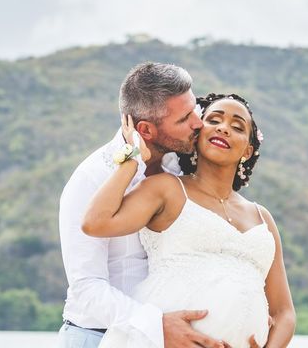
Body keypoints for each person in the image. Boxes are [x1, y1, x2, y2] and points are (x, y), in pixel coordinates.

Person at [82, 93, 296, 348]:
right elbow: (95, 222)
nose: (224, 128)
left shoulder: (262, 218)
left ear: (247, 151)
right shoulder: (166, 189)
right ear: (197, 135)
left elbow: (284, 313)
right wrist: (131, 160)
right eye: (214, 120)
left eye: (237, 127)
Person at [58, 62, 226, 348]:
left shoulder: (181, 171)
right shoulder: (91, 179)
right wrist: (156, 325)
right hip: (96, 338)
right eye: (185, 118)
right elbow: (86, 288)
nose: (198, 123)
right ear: (146, 130)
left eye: (194, 110)